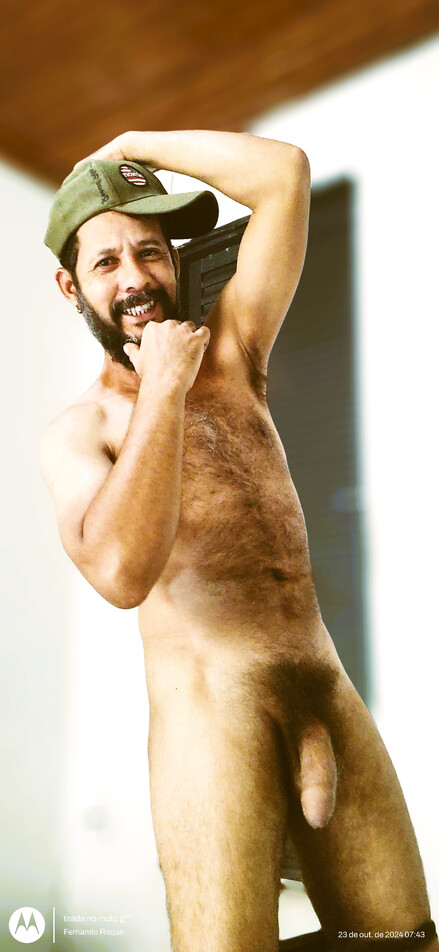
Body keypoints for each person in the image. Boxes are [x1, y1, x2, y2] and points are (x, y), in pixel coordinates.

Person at [40, 130, 437, 952]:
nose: (135, 278)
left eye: (150, 252)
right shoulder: (80, 430)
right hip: (213, 722)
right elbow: (119, 574)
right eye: (106, 262)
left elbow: (283, 174)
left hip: (325, 690)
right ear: (71, 286)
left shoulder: (233, 347)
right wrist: (162, 387)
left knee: (404, 939)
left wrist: (133, 146)